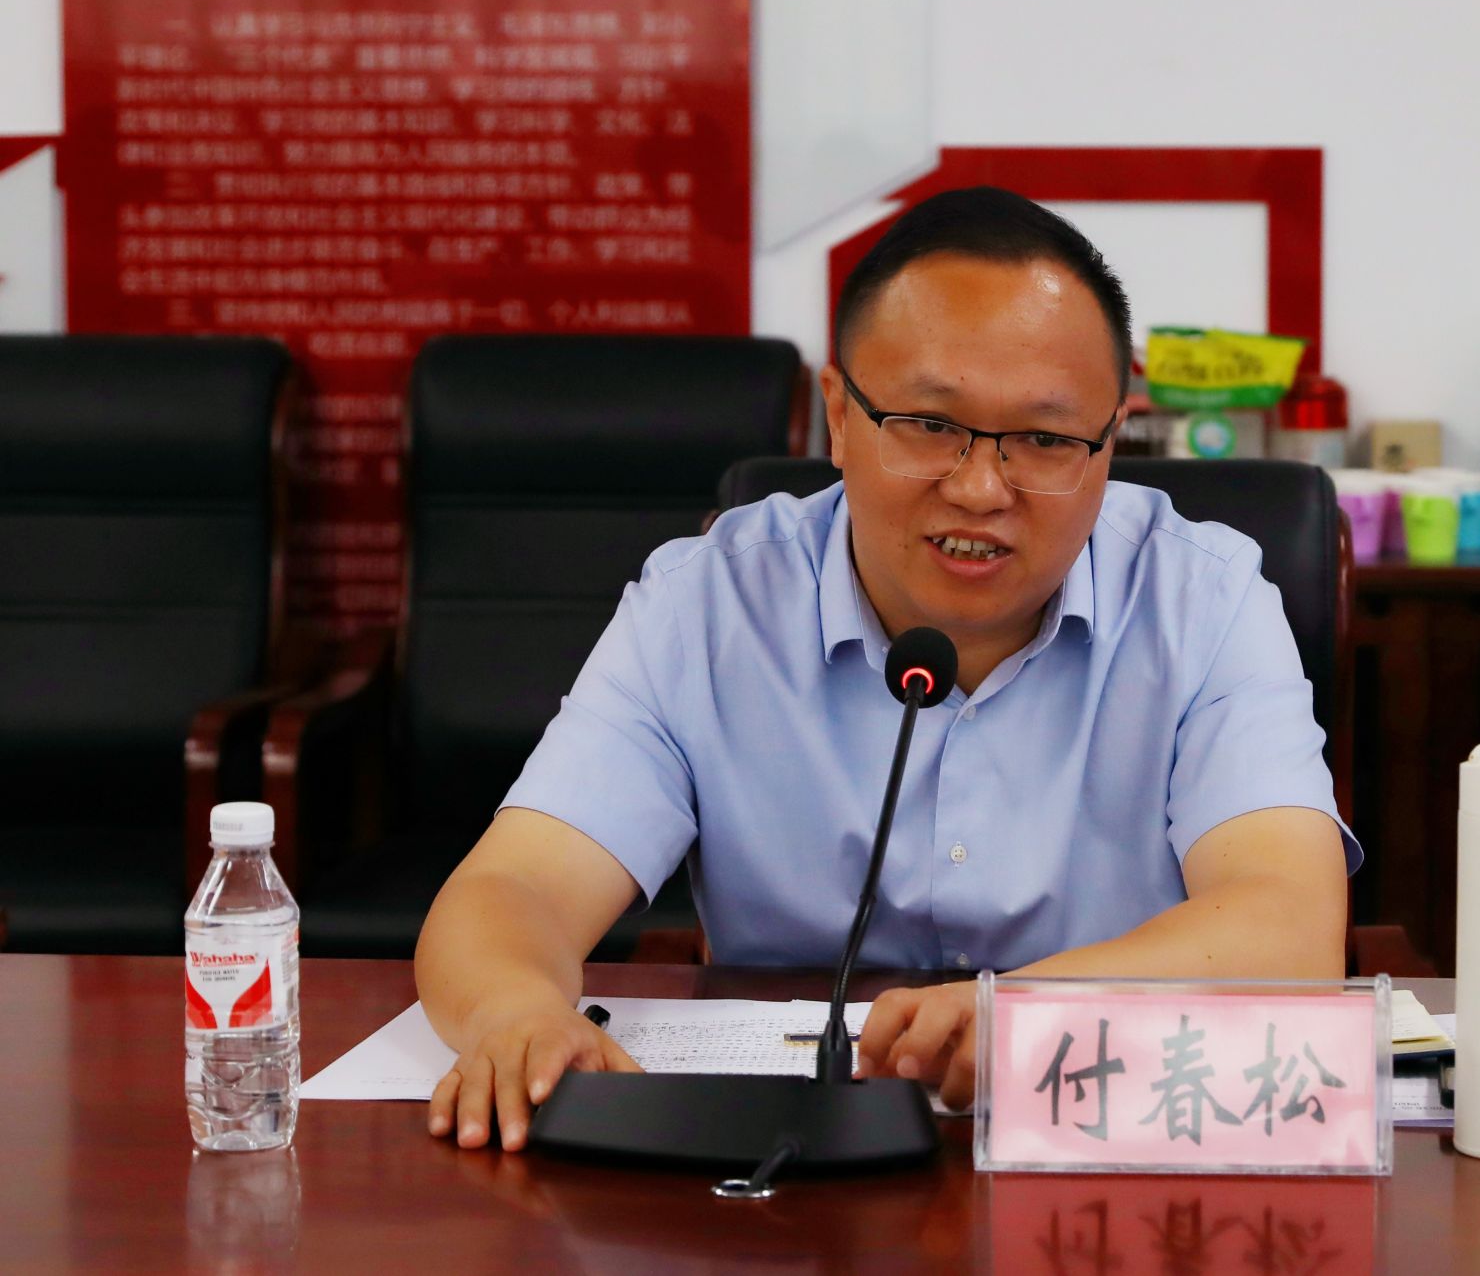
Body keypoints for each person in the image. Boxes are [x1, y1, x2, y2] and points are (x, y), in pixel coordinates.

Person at [415, 186, 1361, 1151]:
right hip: (786, 1156)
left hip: (1106, 1146)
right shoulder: (706, 605)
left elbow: (1288, 924)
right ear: (839, 413)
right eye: (929, 424)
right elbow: (514, 887)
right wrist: (516, 1015)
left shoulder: (1204, 601)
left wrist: (1026, 1013)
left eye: (1044, 439)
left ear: (1110, 442)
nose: (981, 489)